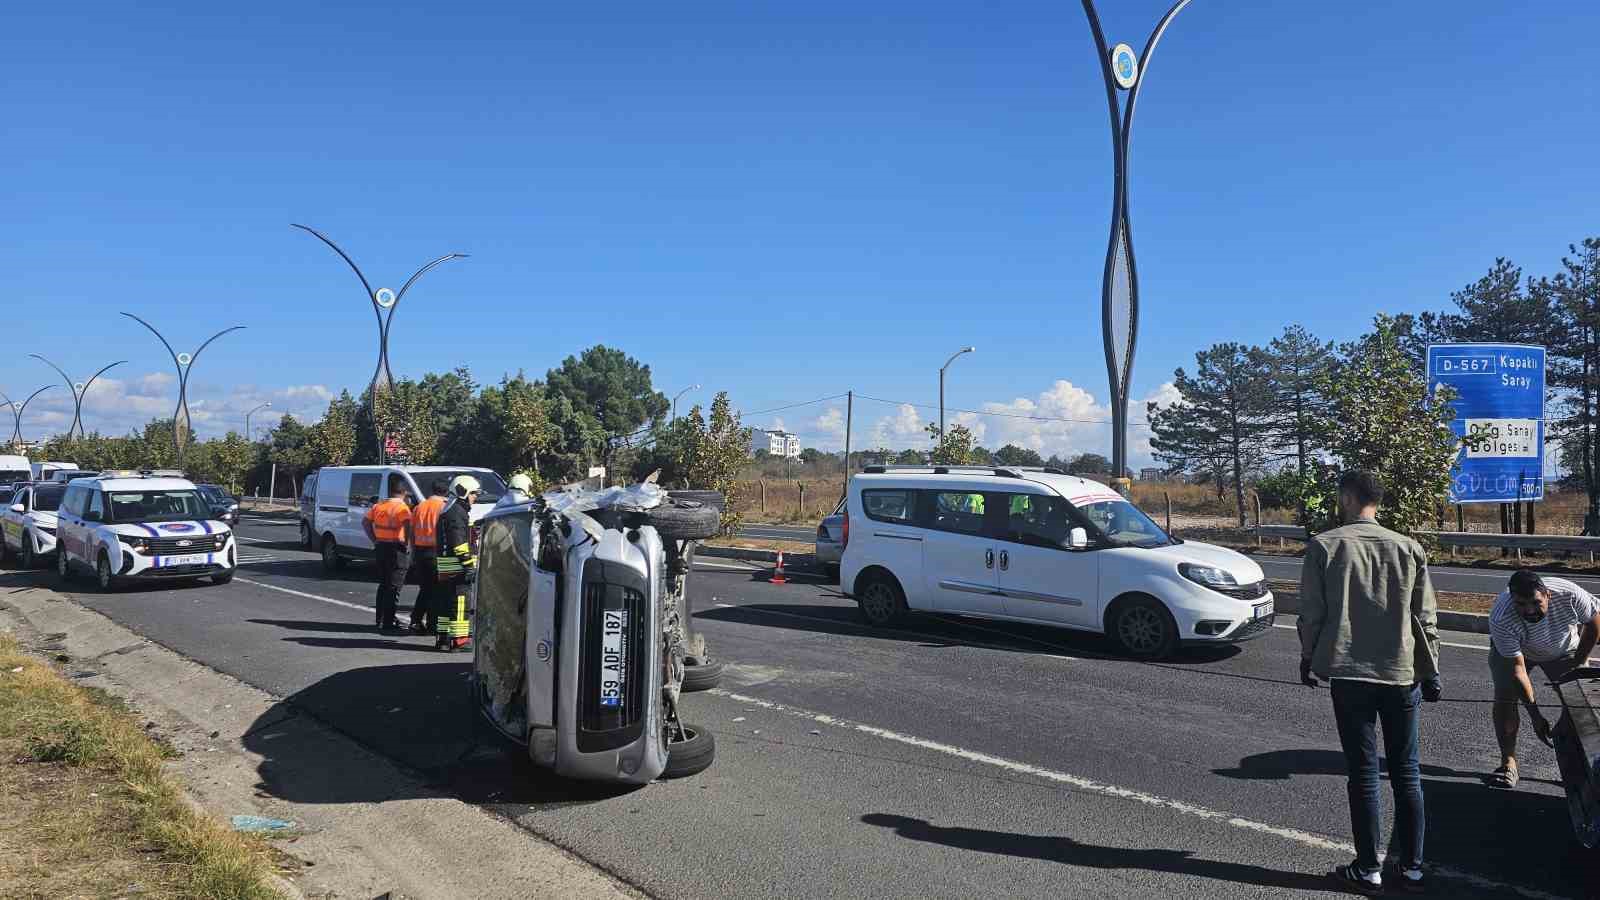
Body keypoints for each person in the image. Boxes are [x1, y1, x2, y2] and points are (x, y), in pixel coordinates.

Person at [1298, 470, 1441, 895]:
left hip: (1350, 673)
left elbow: (1312, 613)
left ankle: (1368, 867)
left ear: (1346, 497)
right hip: (1401, 675)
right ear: (1378, 500)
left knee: (1362, 775)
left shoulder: (1324, 546)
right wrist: (1431, 670)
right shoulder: (1409, 547)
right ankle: (1413, 866)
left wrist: (1309, 658)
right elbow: (1426, 618)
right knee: (1407, 772)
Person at [1486, 569, 1600, 789]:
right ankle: (1508, 762)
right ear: (1512, 600)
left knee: (1581, 703)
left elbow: (1595, 623)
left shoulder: (1568, 593)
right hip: (1515, 653)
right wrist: (1536, 716)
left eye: (1535, 603)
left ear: (1548, 595)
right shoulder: (1501, 616)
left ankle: (1580, 764)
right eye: (1521, 604)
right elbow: (1517, 671)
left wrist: (1578, 665)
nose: (1529, 611)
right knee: (1506, 699)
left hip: (1563, 648)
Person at [434, 474, 480, 652]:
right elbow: (458, 542)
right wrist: (469, 564)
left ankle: (443, 639)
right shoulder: (456, 512)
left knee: (445, 604)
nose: (475, 497)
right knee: (460, 604)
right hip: (457, 567)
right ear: (463, 491)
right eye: (474, 493)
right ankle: (459, 641)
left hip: (447, 565)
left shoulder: (449, 509)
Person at [363, 475, 413, 634]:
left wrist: (374, 539)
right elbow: (407, 526)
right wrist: (407, 544)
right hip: (396, 549)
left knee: (384, 584)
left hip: (381, 547)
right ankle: (388, 621)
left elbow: (365, 522)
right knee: (394, 586)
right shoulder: (402, 508)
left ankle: (380, 618)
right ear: (404, 492)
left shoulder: (379, 505)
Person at [408, 478, 450, 634]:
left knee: (425, 589)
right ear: (446, 492)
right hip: (436, 552)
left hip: (420, 551)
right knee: (437, 590)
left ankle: (416, 621)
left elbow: (412, 532)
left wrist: (413, 551)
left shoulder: (420, 507)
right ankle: (431, 624)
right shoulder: (444, 507)